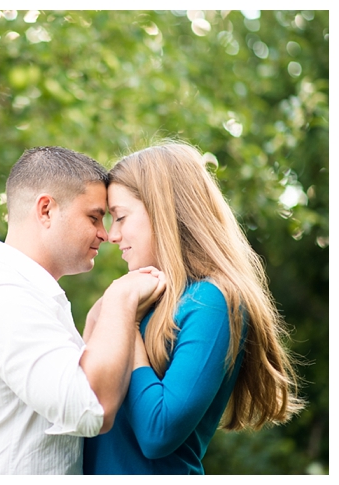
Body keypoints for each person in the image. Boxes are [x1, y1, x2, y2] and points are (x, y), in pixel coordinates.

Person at [0, 146, 166, 474]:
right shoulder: (2, 296)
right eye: (94, 217)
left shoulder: (30, 296)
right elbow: (91, 406)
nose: (105, 233)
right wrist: (120, 299)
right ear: (46, 210)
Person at [83, 141, 305, 475]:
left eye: (121, 217)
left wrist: (125, 320)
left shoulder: (212, 302)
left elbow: (158, 432)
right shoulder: (143, 295)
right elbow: (86, 405)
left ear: (164, 211)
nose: (112, 235)